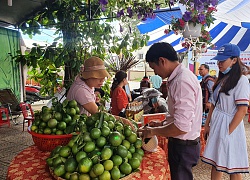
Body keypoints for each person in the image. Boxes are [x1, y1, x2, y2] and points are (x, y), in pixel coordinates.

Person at [138, 42, 202, 180]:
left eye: (154, 67)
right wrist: (161, 124)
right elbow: (178, 117)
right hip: (182, 144)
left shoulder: (182, 81)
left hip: (183, 146)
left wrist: (152, 132)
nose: (155, 73)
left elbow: (181, 127)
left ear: (162, 61)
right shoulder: (179, 78)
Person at [201, 43, 249, 179]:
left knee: (233, 165)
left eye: (223, 60)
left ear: (234, 60)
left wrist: (227, 131)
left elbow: (242, 109)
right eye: (218, 60)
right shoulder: (221, 79)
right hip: (218, 122)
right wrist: (207, 124)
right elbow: (214, 104)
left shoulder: (241, 80)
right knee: (216, 162)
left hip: (230, 125)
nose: (219, 63)